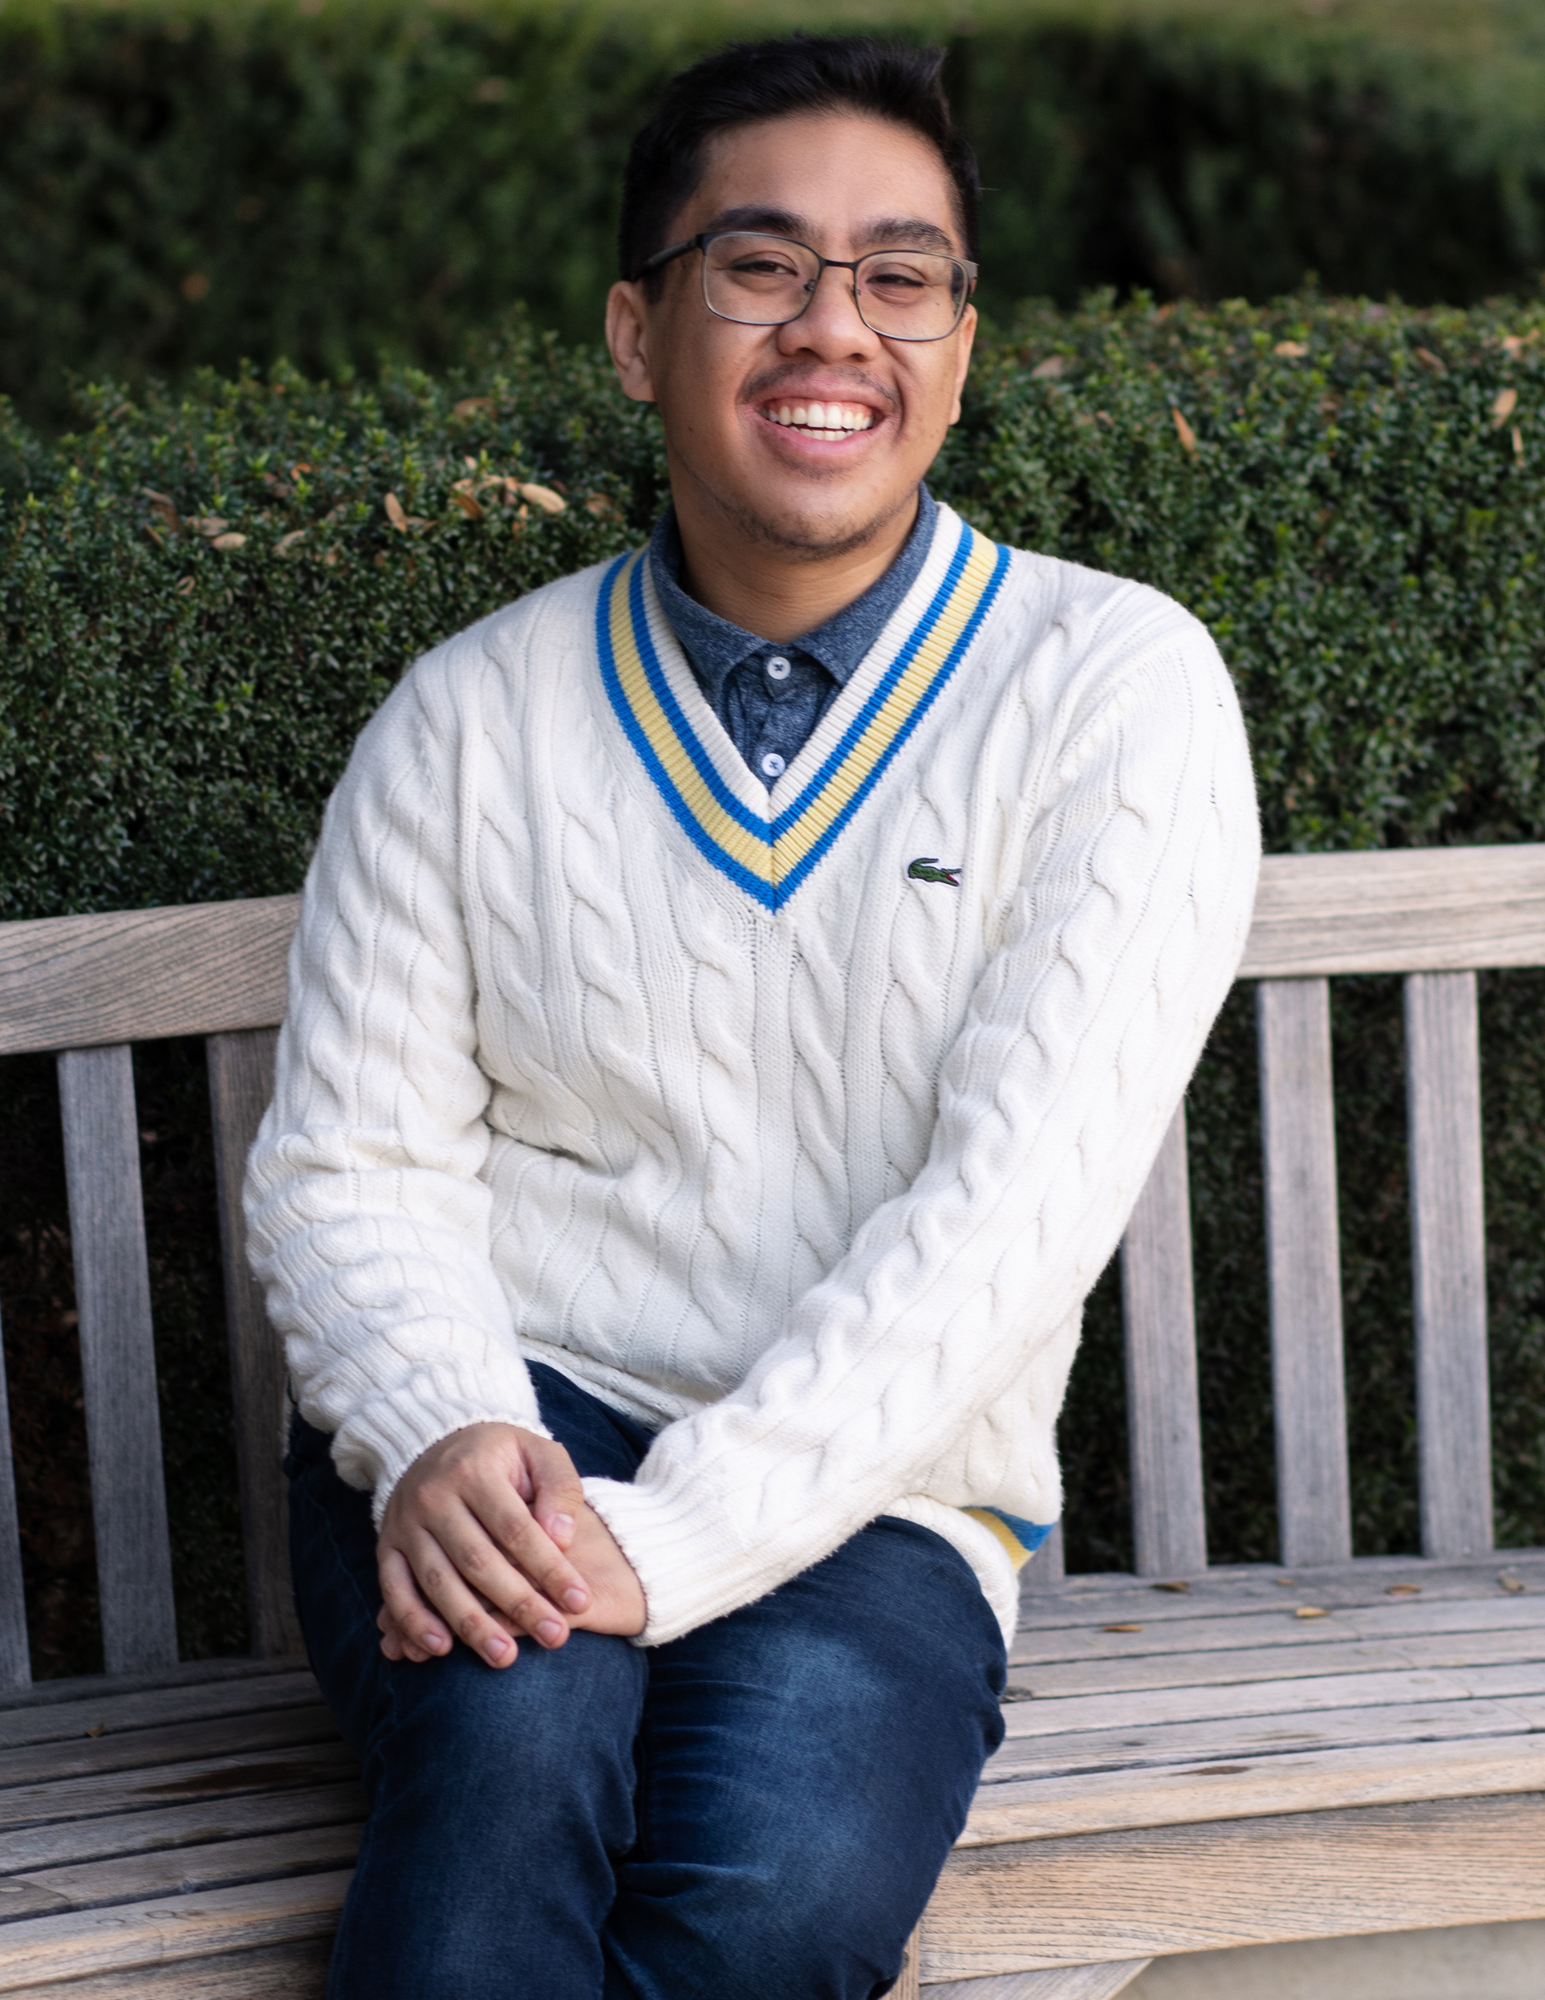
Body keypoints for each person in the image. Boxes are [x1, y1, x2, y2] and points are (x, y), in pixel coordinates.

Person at [245, 31, 1259, 2000]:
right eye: (759, 264)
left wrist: (680, 1537)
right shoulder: (469, 715)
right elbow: (348, 1163)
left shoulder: (1110, 688)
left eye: (900, 275)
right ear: (639, 333)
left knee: (768, 1901)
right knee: (514, 1731)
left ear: (959, 342)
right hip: (498, 1412)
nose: (833, 328)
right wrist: (441, 1424)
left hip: (885, 1491)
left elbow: (1008, 1220)